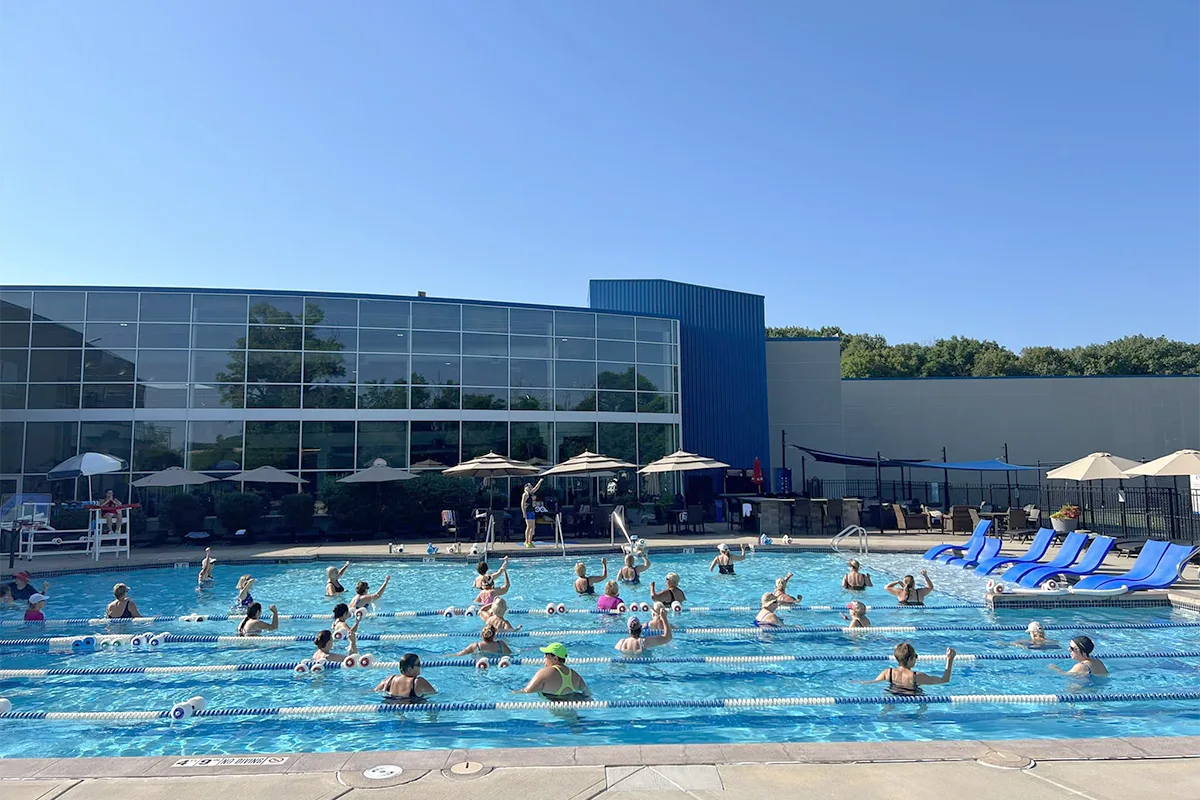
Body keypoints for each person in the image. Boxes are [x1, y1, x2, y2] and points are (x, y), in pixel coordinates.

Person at [862, 643, 957, 696]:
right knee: (923, 701)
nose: (916, 658)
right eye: (916, 656)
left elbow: (872, 682)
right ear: (911, 659)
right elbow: (944, 680)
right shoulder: (917, 676)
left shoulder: (888, 672)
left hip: (893, 693)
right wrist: (950, 659)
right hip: (912, 695)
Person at [515, 642, 591, 701]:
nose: (544, 656)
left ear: (555, 658)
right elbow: (587, 693)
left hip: (554, 707)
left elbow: (527, 691)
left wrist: (512, 692)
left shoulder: (544, 673)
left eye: (546, 654)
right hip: (570, 704)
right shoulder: (575, 675)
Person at [521, 478, 545, 548]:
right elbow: (522, 504)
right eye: (529, 487)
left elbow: (536, 487)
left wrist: (540, 481)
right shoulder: (525, 494)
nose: (530, 488)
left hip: (532, 511)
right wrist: (524, 513)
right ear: (526, 488)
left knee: (533, 527)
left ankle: (530, 541)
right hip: (528, 511)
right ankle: (526, 541)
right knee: (529, 527)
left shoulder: (531, 493)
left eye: (531, 487)